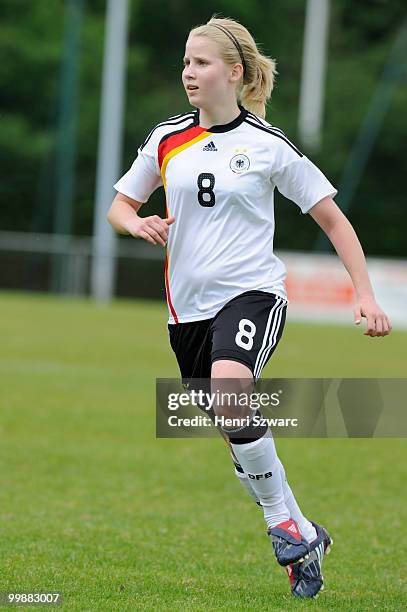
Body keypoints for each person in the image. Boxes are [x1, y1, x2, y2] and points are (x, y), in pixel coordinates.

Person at [107, 16, 392, 599]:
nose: (189, 72)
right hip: (186, 314)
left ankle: (280, 526)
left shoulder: (267, 146)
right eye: (186, 61)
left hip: (253, 294)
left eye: (202, 62)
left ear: (234, 73)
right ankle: (303, 530)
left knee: (232, 390)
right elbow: (119, 205)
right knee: (235, 429)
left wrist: (364, 295)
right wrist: (138, 223)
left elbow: (334, 220)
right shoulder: (167, 139)